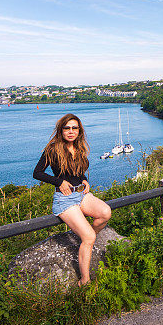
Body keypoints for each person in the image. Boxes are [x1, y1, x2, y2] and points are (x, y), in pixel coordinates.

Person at [33, 113, 111, 286]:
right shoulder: (52, 149)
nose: (71, 131)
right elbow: (37, 173)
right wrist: (59, 181)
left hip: (81, 194)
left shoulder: (79, 147)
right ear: (61, 130)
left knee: (105, 212)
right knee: (89, 236)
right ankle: (85, 281)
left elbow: (77, 170)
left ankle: (87, 240)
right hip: (65, 199)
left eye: (74, 128)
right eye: (67, 128)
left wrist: (84, 179)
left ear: (79, 130)